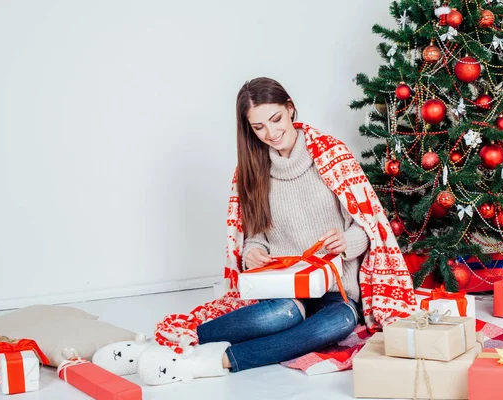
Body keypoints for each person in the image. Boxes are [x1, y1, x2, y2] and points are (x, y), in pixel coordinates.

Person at [140, 77, 415, 385]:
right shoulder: (252, 171)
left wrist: (346, 241)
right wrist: (252, 251)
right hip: (283, 289)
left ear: (290, 109)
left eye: (275, 119)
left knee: (340, 322)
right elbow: (254, 235)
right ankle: (181, 340)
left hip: (336, 289)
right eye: (258, 127)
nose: (271, 133)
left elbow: (368, 227)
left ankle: (220, 360)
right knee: (282, 314)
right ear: (249, 129)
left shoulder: (331, 155)